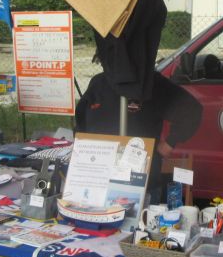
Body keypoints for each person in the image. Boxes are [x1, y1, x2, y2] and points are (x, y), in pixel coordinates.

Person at [76, 70, 202, 205]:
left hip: (143, 184)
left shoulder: (153, 84)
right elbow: (81, 121)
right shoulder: (99, 82)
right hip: (98, 181)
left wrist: (170, 142)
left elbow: (191, 110)